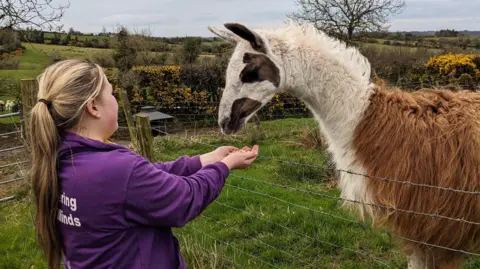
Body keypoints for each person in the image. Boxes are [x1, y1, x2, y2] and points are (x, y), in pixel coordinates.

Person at [28, 59, 259, 269]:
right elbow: (185, 198)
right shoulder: (115, 168)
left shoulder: (62, 159)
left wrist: (203, 160)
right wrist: (225, 166)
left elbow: (148, 177)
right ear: (93, 107)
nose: (115, 99)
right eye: (112, 93)